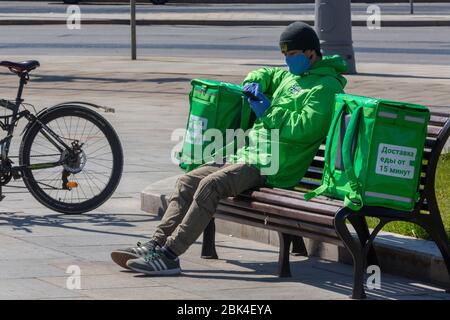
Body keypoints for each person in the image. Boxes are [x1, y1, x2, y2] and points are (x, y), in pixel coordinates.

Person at [110, 21, 348, 275]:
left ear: (311, 53)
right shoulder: (293, 76)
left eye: (292, 55)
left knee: (210, 186)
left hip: (275, 164)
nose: (288, 61)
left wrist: (269, 112)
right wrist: (253, 82)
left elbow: (305, 130)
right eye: (285, 56)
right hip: (250, 155)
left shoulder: (326, 87)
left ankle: (170, 255)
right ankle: (155, 244)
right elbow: (266, 73)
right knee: (187, 181)